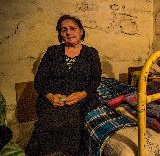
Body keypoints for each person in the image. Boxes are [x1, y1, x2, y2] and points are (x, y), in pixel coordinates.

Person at [25, 15, 102, 156]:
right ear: (60, 34)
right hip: (54, 99)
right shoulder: (52, 52)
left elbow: (95, 80)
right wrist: (50, 96)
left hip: (81, 99)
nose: (68, 32)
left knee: (73, 122)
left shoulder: (91, 53)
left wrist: (81, 95)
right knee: (45, 125)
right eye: (63, 30)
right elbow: (39, 81)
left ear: (81, 31)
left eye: (73, 28)